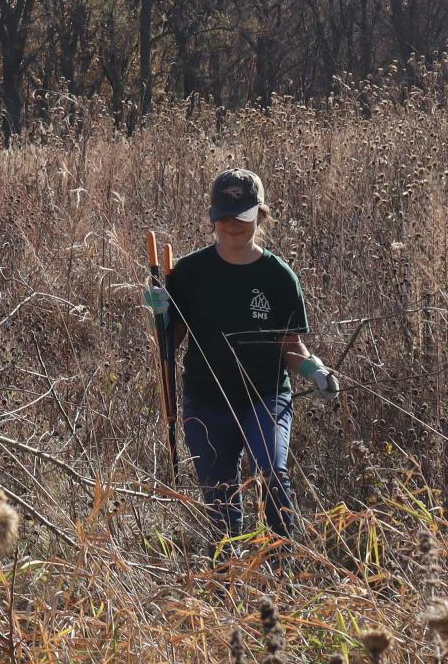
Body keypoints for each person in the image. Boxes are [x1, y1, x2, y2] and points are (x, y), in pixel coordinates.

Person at [145, 169, 339, 542]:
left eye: (243, 216)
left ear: (261, 216)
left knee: (271, 472)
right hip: (206, 400)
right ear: (213, 218)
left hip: (265, 397)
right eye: (225, 216)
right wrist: (162, 313)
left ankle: (282, 567)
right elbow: (171, 341)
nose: (233, 224)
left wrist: (316, 371)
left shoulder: (280, 278)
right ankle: (226, 577)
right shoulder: (189, 272)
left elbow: (291, 348)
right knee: (220, 495)